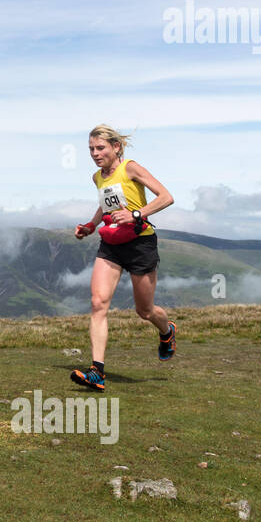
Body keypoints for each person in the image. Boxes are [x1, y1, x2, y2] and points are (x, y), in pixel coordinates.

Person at [71, 126, 176, 391]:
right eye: (91, 149)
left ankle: (167, 332)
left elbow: (166, 197)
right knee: (98, 303)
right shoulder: (97, 177)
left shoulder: (130, 168)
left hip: (141, 243)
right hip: (111, 245)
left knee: (145, 311)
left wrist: (137, 214)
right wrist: (91, 226)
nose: (95, 154)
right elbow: (104, 204)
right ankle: (97, 371)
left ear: (116, 147)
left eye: (100, 148)